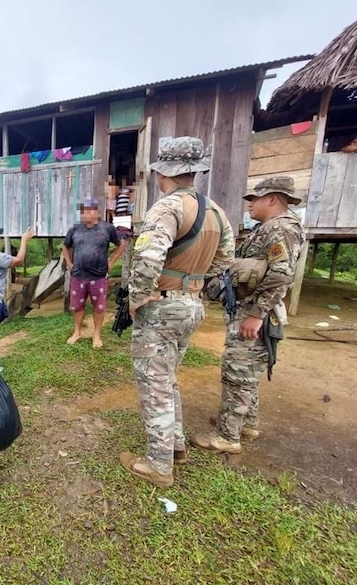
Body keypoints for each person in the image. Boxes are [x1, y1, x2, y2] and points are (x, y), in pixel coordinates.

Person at [119, 136, 234, 487]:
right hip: (192, 305)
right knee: (167, 378)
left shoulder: (167, 208)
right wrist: (194, 282)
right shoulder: (215, 211)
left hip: (162, 305)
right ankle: (177, 446)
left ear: (162, 173)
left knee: (154, 383)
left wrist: (137, 297)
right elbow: (226, 258)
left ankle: (158, 464)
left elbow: (150, 256)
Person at [192, 175, 304, 454]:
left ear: (272, 199)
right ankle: (246, 423)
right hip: (251, 309)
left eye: (254, 199)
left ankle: (227, 437)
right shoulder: (267, 228)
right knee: (247, 372)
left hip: (255, 313)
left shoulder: (281, 230)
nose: (250, 204)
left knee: (237, 373)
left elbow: (281, 275)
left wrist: (257, 314)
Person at [63, 199, 126, 348]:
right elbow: (65, 247)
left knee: (99, 307)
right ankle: (77, 332)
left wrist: (111, 261)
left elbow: (121, 244)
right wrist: (69, 263)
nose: (87, 213)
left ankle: (96, 335)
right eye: (84, 210)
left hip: (99, 277)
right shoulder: (75, 229)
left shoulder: (107, 228)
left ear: (96, 211)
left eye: (90, 210)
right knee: (77, 306)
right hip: (78, 276)